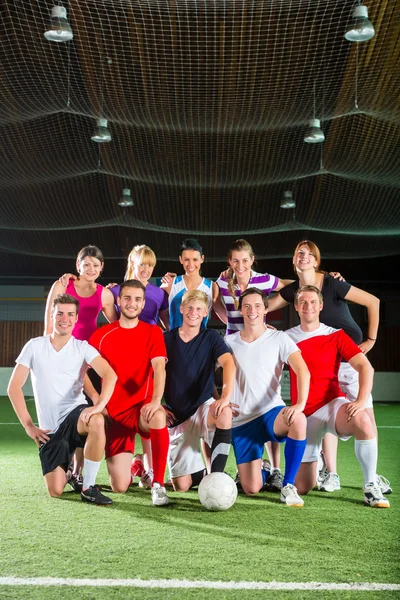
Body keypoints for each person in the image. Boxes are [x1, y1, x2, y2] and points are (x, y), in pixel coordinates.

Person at [267, 240, 391, 495]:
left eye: (308, 254)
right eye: (298, 253)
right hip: (319, 376)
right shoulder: (293, 295)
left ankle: (371, 479)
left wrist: (371, 339)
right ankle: (330, 472)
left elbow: (373, 303)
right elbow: (261, 307)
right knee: (304, 484)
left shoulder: (333, 283)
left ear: (316, 260)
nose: (303, 257)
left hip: (348, 357)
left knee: (364, 418)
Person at [7, 294, 117, 505]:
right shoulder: (34, 346)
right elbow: (14, 388)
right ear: (52, 315)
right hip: (51, 431)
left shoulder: (82, 347)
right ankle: (68, 471)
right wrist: (29, 426)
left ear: (76, 319)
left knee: (96, 420)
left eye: (70, 314)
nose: (64, 318)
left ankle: (88, 487)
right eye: (60, 314)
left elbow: (110, 374)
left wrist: (99, 405)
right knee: (56, 490)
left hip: (74, 416)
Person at [286, 285, 390, 508]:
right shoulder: (285, 338)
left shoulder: (335, 335)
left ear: (321, 305)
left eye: (313, 302)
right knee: (304, 486)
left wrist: (361, 400)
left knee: (362, 419)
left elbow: (365, 367)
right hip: (305, 415)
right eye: (303, 302)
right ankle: (318, 461)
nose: (308, 306)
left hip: (331, 404)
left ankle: (371, 485)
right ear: (296, 306)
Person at [225, 287, 310, 507]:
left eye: (257, 306)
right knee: (251, 488)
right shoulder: (229, 342)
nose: (252, 310)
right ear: (240, 310)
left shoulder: (279, 338)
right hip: (242, 421)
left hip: (270, 413)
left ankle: (288, 485)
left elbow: (303, 370)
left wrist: (299, 405)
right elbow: (206, 373)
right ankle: (262, 469)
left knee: (298, 419)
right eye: (247, 306)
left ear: (265, 310)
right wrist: (219, 398)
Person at [88, 279, 170, 506]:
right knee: (120, 486)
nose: (132, 303)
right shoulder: (101, 335)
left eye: (137, 299)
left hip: (141, 409)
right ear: (118, 301)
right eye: (127, 298)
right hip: (114, 415)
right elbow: (80, 372)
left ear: (143, 304)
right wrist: (97, 401)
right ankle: (136, 465)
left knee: (159, 415)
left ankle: (159, 486)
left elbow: (159, 368)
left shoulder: (153, 332)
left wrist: (155, 401)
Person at [44, 245, 118, 490]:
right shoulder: (62, 286)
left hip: (87, 361)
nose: (91, 269)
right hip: (63, 362)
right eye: (86, 264)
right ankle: (61, 465)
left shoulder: (104, 295)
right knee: (66, 416)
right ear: (78, 266)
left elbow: (116, 326)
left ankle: (78, 473)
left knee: (87, 414)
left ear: (101, 268)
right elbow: (48, 326)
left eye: (96, 266)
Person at [107, 244, 170, 488]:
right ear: (132, 262)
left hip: (148, 355)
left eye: (150, 265)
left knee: (148, 411)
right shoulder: (115, 291)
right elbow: (114, 322)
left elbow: (165, 324)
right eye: (141, 263)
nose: (146, 269)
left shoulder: (158, 294)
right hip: (123, 358)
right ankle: (128, 462)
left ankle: (149, 469)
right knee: (122, 410)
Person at [163, 290, 236, 491]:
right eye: (189, 307)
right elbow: (152, 372)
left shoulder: (211, 337)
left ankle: (216, 478)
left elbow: (229, 363)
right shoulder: (166, 339)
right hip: (177, 416)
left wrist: (224, 398)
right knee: (182, 486)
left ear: (206, 313)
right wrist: (156, 404)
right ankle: (203, 474)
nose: (193, 312)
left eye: (199, 309)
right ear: (181, 309)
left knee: (224, 412)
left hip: (203, 407)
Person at [161, 238, 220, 329]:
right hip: (174, 341)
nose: (191, 264)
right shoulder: (169, 284)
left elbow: (224, 315)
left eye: (195, 259)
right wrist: (171, 331)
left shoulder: (212, 287)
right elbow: (159, 311)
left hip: (200, 342)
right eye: (186, 259)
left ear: (202, 259)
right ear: (181, 259)